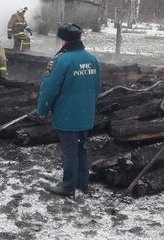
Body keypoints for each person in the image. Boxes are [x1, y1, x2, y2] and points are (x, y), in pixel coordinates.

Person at [35, 23, 101, 197]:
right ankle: (82, 183)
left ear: (63, 40)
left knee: (70, 151)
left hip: (67, 116)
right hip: (85, 114)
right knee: (82, 148)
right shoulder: (91, 59)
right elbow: (96, 87)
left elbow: (49, 88)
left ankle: (68, 187)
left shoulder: (61, 60)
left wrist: (42, 110)